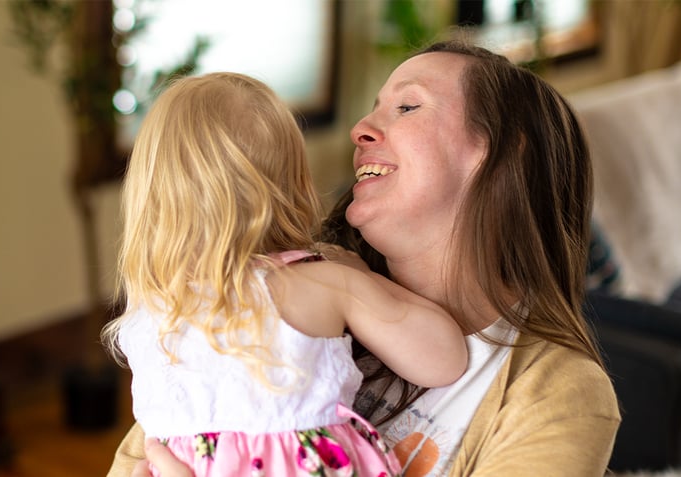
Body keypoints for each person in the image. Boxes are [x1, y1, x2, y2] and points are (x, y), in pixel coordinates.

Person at [108, 40, 621, 477]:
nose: (360, 129)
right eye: (375, 108)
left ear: (503, 153)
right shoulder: (266, 307)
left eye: (407, 107)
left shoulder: (560, 396)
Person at [102, 71, 469, 476]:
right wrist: (360, 274)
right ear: (293, 186)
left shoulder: (149, 316)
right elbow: (444, 359)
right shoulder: (322, 284)